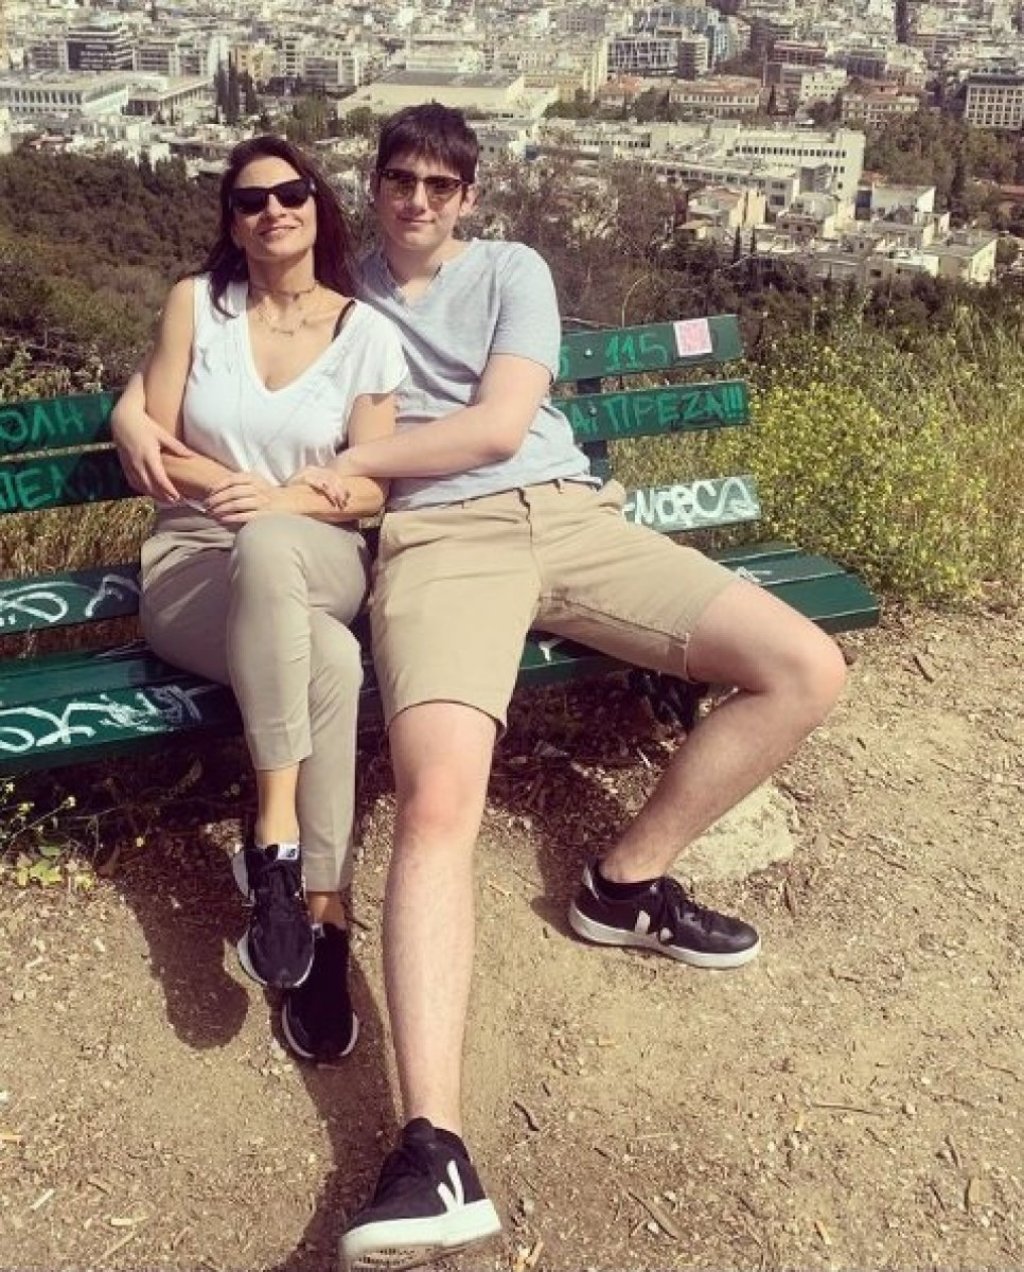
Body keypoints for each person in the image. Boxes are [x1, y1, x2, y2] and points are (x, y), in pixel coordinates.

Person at [121, 106, 848, 1272]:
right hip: (439, 547)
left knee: (805, 667)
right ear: (371, 189)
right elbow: (211, 352)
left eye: (440, 183)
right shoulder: (343, 293)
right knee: (438, 804)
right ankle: (434, 1147)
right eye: (398, 179)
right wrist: (139, 411)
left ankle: (625, 882)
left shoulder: (511, 269)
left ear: (467, 195)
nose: (417, 200)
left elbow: (504, 425)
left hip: (567, 515)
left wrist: (346, 464)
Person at [111, 134, 406, 1066]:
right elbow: (156, 439)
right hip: (195, 560)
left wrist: (281, 502)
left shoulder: (365, 334)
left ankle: (272, 837)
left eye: (290, 193)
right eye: (250, 201)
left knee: (276, 543)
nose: (273, 209)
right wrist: (150, 429)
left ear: (318, 205)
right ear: (232, 225)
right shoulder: (196, 306)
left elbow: (372, 488)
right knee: (332, 661)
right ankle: (322, 913)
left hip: (317, 553)